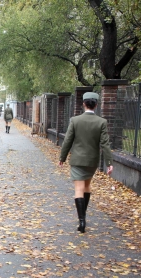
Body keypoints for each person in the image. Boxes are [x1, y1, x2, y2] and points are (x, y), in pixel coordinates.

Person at [59, 92, 113, 233]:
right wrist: (109, 162)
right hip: (92, 161)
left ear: (83, 104)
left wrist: (62, 158)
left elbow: (67, 141)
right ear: (96, 105)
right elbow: (105, 144)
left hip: (77, 160)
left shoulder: (75, 120)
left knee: (78, 189)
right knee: (87, 186)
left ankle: (81, 221)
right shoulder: (102, 122)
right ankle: (83, 215)